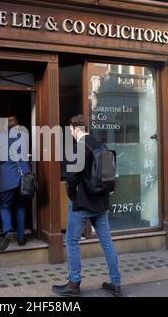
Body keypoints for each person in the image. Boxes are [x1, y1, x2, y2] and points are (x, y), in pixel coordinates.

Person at [52, 114, 122, 297]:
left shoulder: (79, 147)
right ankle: (116, 283)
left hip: (83, 203)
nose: (71, 133)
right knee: (106, 242)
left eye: (70, 130)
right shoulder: (99, 144)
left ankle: (74, 284)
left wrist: (71, 195)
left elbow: (72, 178)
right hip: (101, 203)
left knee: (72, 241)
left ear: (75, 128)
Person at [0, 116, 31, 252]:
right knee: (21, 206)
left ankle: (7, 230)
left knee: (5, 206)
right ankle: (21, 237)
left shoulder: (0, 137)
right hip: (23, 176)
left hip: (7, 177)